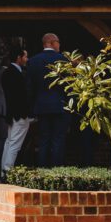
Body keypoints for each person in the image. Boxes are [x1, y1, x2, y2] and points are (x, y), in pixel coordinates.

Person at [27, 33, 71, 167]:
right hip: (60, 106)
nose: (59, 45)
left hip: (41, 107)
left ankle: (42, 171)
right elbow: (69, 86)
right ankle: (56, 171)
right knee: (58, 139)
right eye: (58, 42)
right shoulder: (63, 60)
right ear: (51, 43)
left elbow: (29, 88)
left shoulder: (33, 61)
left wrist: (32, 107)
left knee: (43, 140)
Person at [0, 48, 31, 174]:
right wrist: (26, 113)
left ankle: (4, 171)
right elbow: (20, 96)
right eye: (25, 56)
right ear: (19, 57)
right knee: (14, 145)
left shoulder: (7, 73)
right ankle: (7, 171)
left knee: (9, 142)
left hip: (12, 113)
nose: (27, 59)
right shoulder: (16, 74)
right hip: (20, 114)